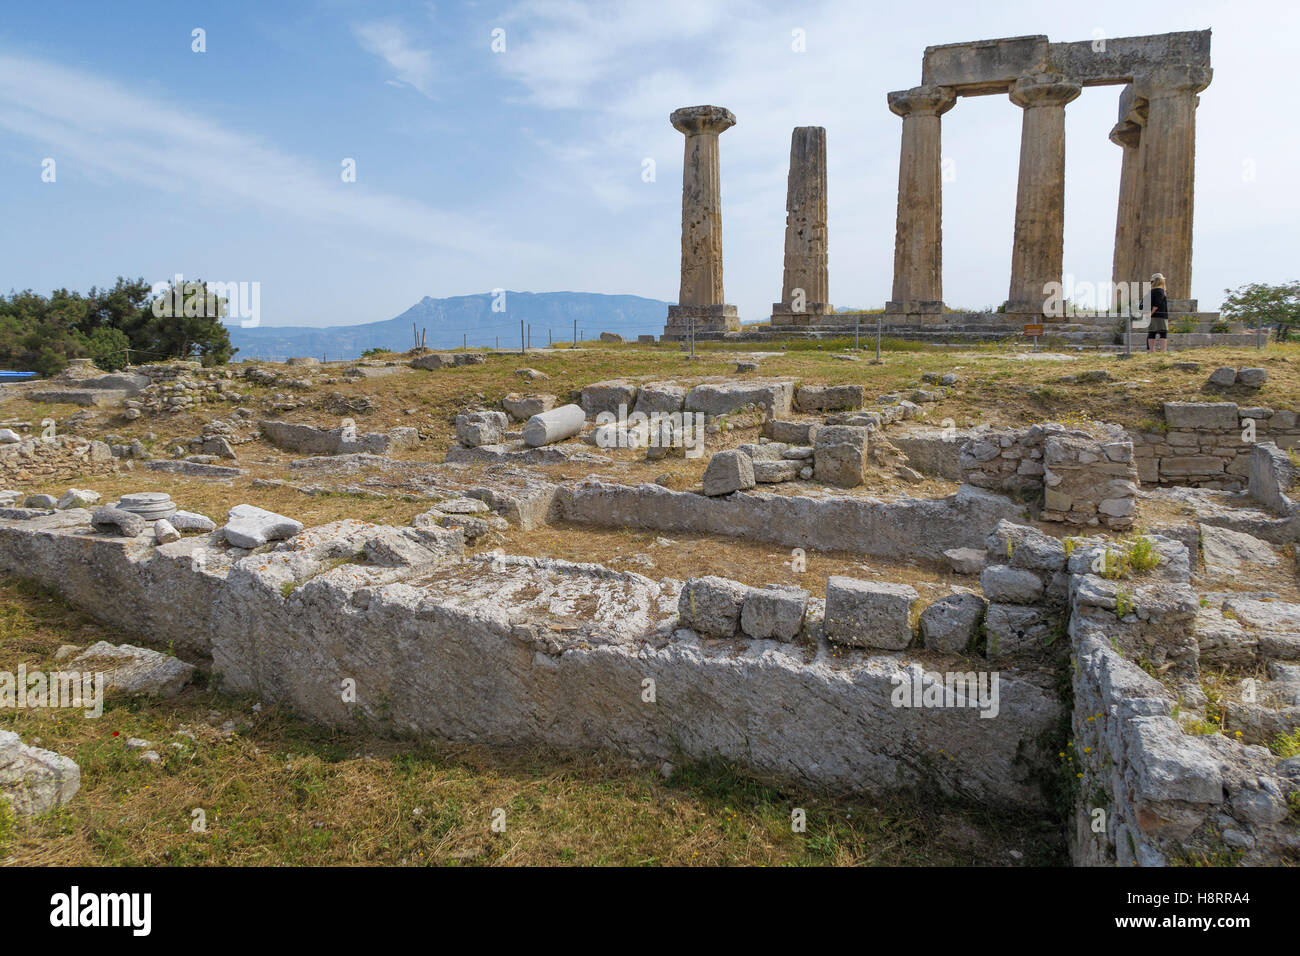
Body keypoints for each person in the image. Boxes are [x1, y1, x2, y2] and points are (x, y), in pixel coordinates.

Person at [1145, 273, 1169, 352]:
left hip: (1153, 315)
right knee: (1163, 333)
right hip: (1160, 315)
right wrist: (1151, 313)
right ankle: (1163, 351)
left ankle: (1151, 350)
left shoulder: (1152, 291)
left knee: (1152, 332)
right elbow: (1157, 304)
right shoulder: (1160, 291)